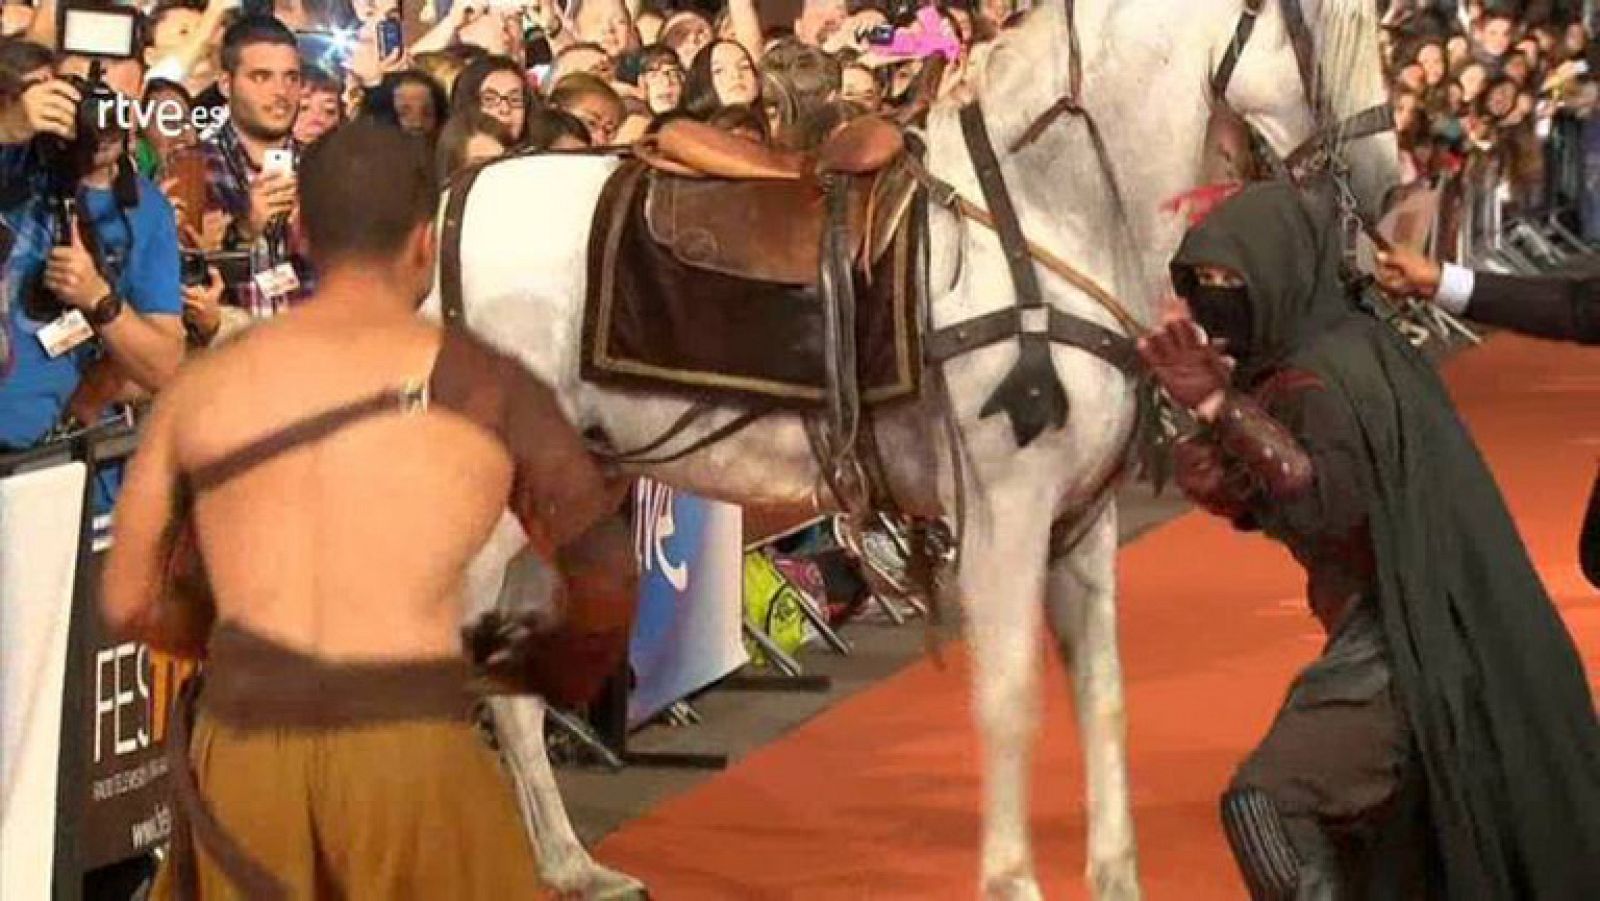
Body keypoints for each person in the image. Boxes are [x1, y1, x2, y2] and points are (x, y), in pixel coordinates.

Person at [102, 118, 637, 898]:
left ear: (303, 235)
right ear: (425, 245)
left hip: (251, 744)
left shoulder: (209, 388)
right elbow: (601, 577)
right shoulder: (490, 386)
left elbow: (132, 595)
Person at [1138, 181, 1600, 899]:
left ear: (1278, 268)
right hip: (1424, 626)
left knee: (1265, 805)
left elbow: (1323, 499)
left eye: (1230, 279)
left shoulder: (1323, 376)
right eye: (1204, 281)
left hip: (1410, 643)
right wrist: (1233, 467)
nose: (1214, 299)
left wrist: (1220, 409)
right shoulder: (1346, 348)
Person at [0, 40, 184, 451]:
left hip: (56, 454)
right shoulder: (11, 159)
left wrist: (97, 298)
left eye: (118, 104)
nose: (102, 119)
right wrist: (7, 128)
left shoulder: (146, 208)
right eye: (86, 99)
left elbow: (165, 367)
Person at [169, 15, 312, 316]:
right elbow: (175, 285)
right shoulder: (190, 169)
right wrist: (243, 230)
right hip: (231, 341)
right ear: (226, 84)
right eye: (261, 77)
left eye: (291, 78)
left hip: (312, 339)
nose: (281, 92)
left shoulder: (323, 167)